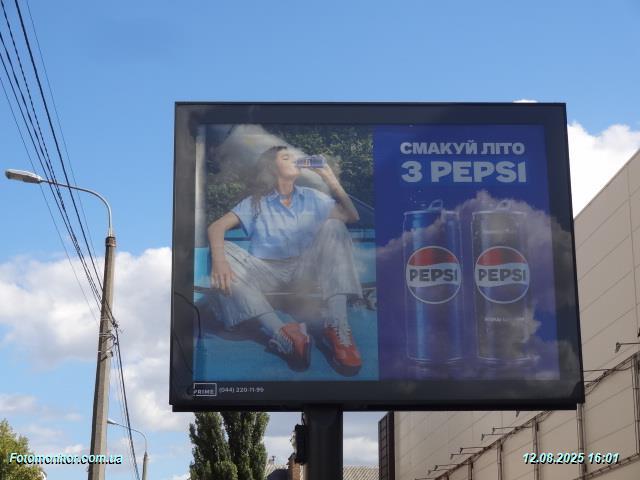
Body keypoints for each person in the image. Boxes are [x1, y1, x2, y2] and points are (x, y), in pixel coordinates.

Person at [207, 145, 363, 373]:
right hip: (265, 273)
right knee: (222, 251)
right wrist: (220, 261)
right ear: (273, 166)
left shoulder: (312, 197)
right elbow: (216, 227)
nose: (295, 159)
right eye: (287, 157)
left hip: (304, 272)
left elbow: (351, 216)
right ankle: (282, 333)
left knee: (334, 225)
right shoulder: (255, 202)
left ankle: (337, 324)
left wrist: (330, 178)